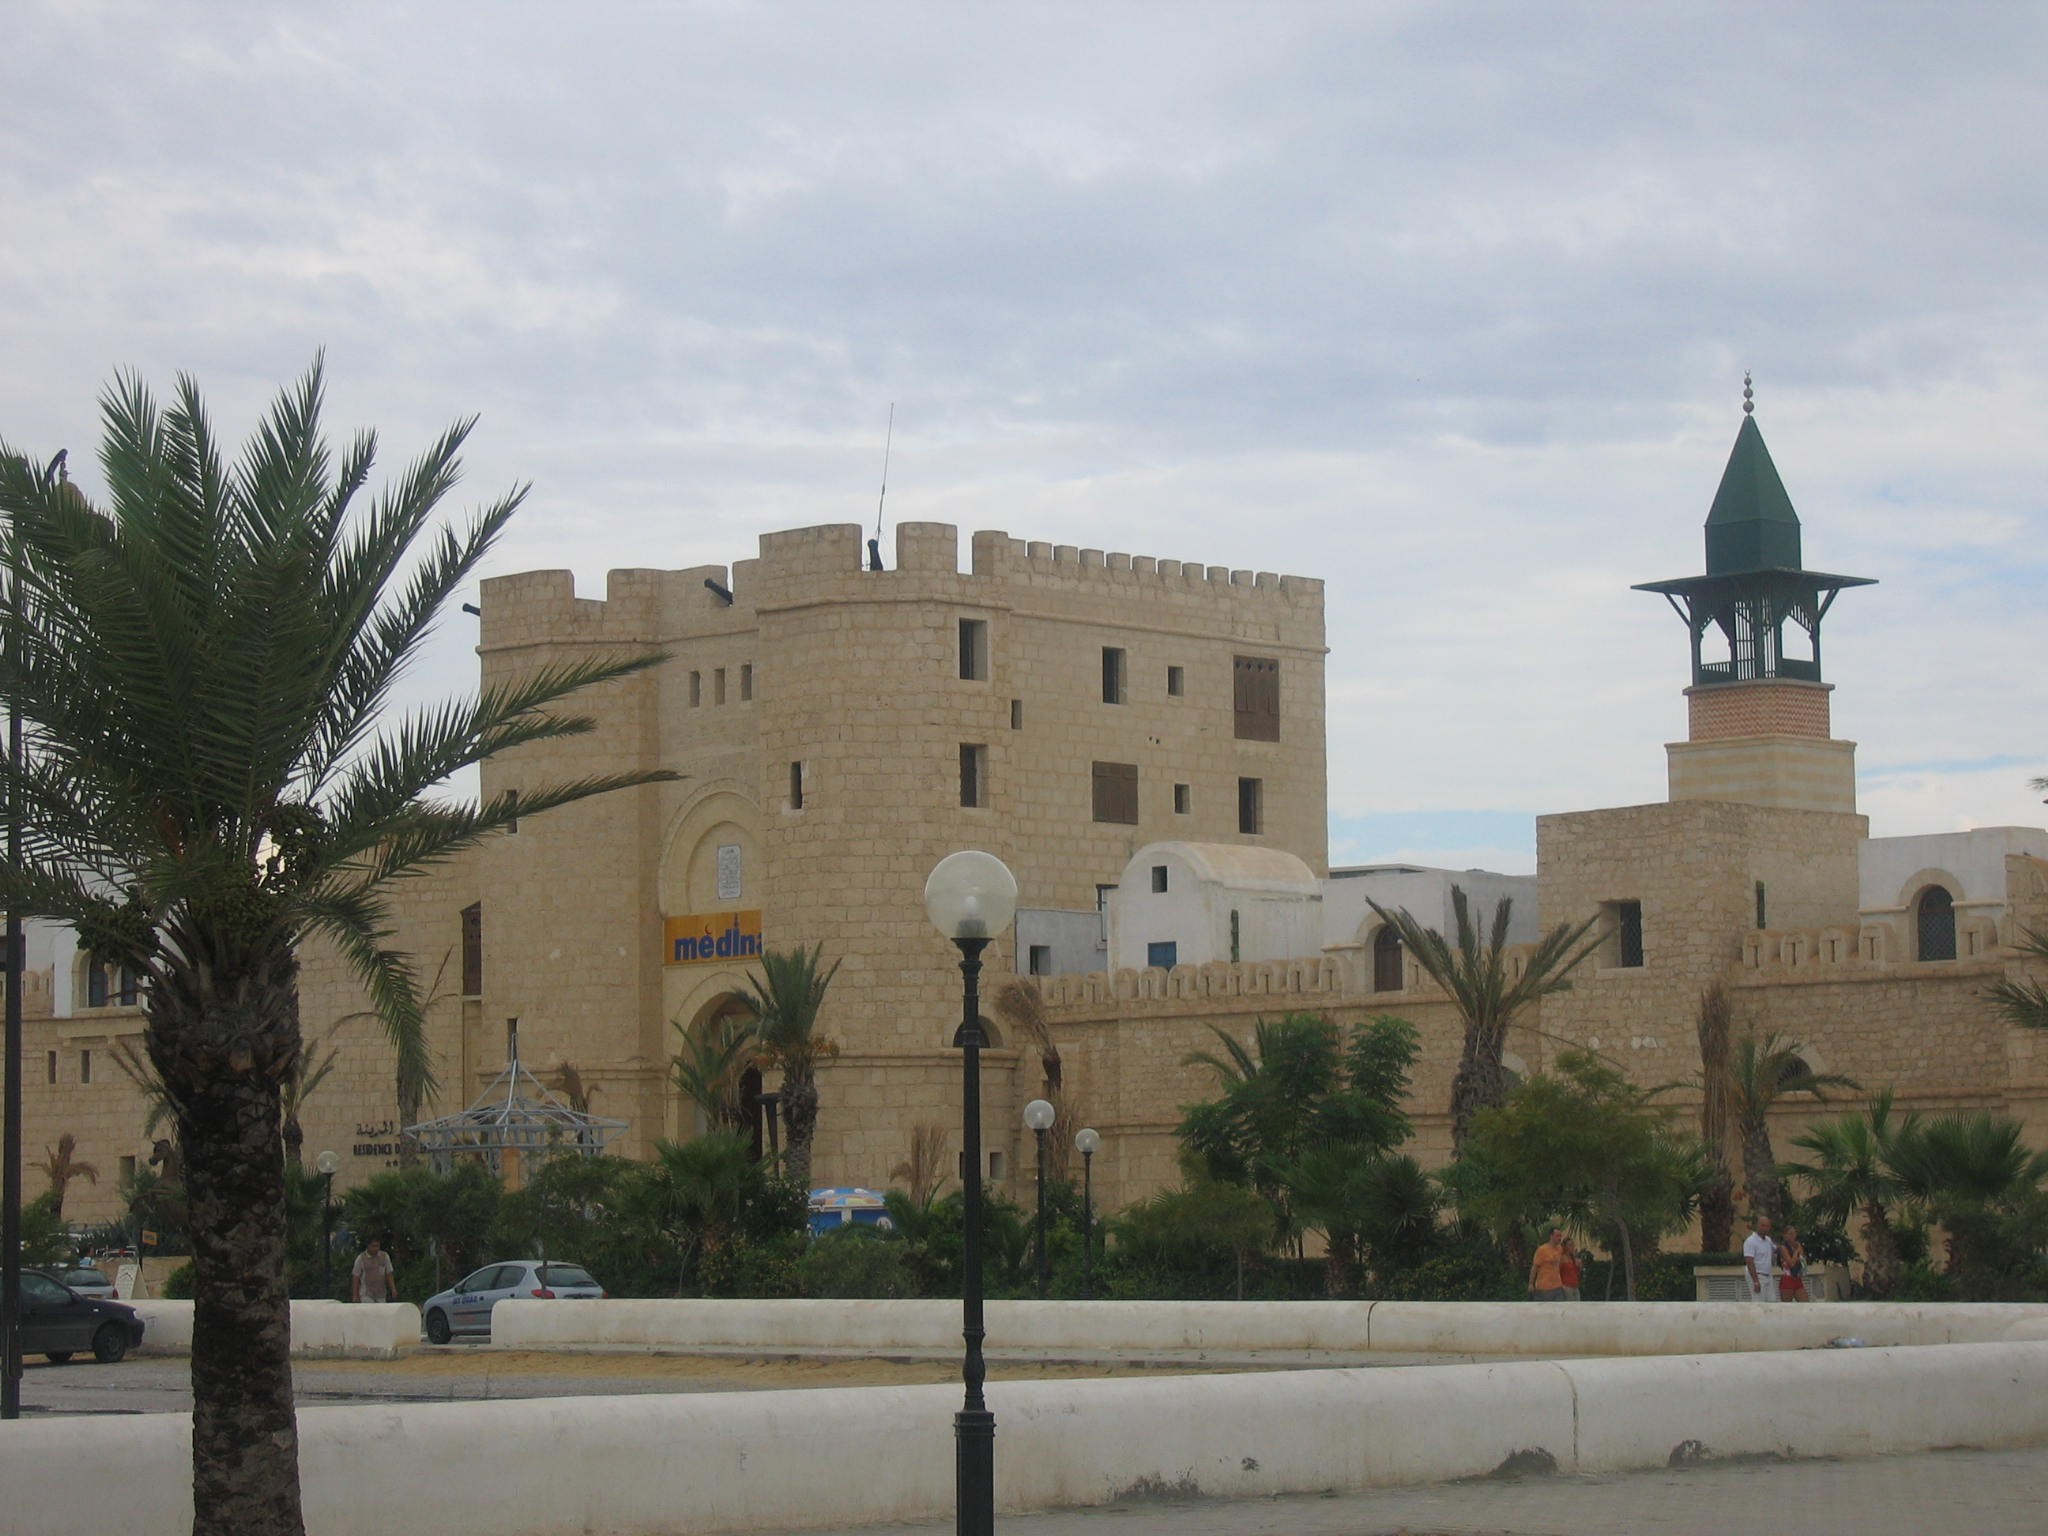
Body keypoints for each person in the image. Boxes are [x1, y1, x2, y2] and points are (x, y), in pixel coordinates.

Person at [1742, 1214, 1778, 1303]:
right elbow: (1749, 1261)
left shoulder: (1768, 1240)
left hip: (1768, 1276)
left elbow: (1776, 1249)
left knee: (1772, 1302)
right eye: (1763, 1225)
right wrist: (1755, 1281)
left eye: (1767, 1226)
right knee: (1759, 1303)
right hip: (1757, 1275)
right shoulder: (1750, 1241)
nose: (1765, 1228)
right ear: (1757, 1226)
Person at [351, 1237, 397, 1303]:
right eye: (373, 1246)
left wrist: (393, 1289)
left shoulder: (384, 1256)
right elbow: (356, 1277)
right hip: (366, 1294)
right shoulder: (361, 1258)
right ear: (368, 1246)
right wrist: (355, 1296)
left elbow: (389, 1274)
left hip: (381, 1294)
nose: (376, 1249)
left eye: (378, 1246)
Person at [1528, 1227, 1568, 1301]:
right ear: (1551, 1236)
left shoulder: (1560, 1249)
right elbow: (1534, 1267)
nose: (1559, 1238)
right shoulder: (1542, 1250)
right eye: (1557, 1236)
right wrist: (1531, 1283)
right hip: (1544, 1288)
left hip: (1558, 1287)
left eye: (1560, 1236)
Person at [1778, 1225, 1809, 1302]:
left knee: (1805, 1302)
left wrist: (1798, 1251)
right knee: (1787, 1305)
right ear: (1785, 1235)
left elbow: (1802, 1259)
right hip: (1788, 1278)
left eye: (1794, 1233)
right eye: (1790, 1233)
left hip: (1797, 1278)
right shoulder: (1783, 1248)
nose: (1793, 1235)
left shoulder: (1797, 1245)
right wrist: (1796, 1251)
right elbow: (1791, 1263)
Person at [1559, 1235, 1582, 1302]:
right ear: (1565, 1247)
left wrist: (1579, 1265)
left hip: (1575, 1286)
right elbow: (1558, 1272)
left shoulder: (1574, 1259)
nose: (1572, 1247)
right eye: (1569, 1245)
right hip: (1566, 1287)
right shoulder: (1562, 1258)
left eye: (1572, 1245)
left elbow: (1577, 1273)